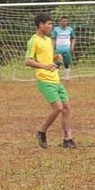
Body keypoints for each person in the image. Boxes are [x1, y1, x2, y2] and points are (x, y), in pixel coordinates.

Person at [25, 13, 75, 149]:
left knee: (66, 109)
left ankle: (67, 140)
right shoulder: (33, 40)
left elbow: (48, 57)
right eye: (49, 24)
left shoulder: (48, 40)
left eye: (51, 24)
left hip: (55, 79)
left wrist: (56, 58)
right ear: (41, 25)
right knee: (58, 107)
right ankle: (42, 132)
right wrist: (44, 66)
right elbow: (27, 60)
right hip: (44, 79)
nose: (51, 26)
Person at [51, 16, 76, 82]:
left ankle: (67, 78)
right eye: (63, 21)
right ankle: (55, 78)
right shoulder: (56, 29)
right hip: (59, 49)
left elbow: (73, 38)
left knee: (67, 63)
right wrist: (53, 48)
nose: (64, 22)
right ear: (60, 22)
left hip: (67, 49)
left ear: (67, 22)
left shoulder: (70, 29)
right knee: (57, 64)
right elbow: (53, 39)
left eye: (66, 21)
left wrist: (72, 45)